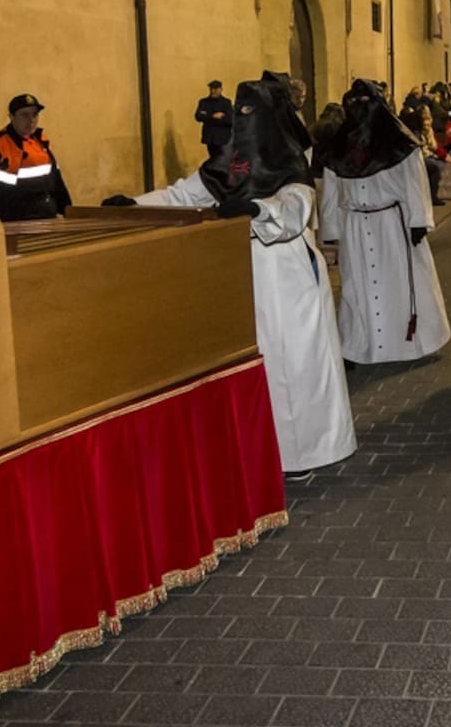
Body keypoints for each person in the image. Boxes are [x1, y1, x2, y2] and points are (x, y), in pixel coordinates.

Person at [104, 73, 355, 477]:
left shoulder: (288, 160)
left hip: (285, 276)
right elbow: (183, 194)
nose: (244, 118)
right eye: (241, 111)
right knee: (255, 366)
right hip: (238, 273)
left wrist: (258, 209)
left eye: (251, 111)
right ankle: (261, 452)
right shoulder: (229, 161)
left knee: (293, 366)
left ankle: (303, 453)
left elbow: (295, 209)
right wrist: (134, 204)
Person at [317, 80, 451, 364]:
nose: (360, 108)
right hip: (354, 223)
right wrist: (331, 228)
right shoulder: (339, 145)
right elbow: (331, 188)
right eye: (354, 103)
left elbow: (414, 181)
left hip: (392, 224)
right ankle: (356, 345)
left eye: (366, 102)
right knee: (355, 285)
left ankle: (411, 343)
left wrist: (419, 220)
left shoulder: (400, 141)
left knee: (400, 282)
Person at [0, 93, 71, 221]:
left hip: (45, 216)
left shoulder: (41, 141)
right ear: (12, 117)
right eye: (24, 115)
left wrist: (68, 211)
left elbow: (56, 181)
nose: (31, 120)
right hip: (12, 220)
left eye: (35, 115)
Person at [400, 104, 447, 206]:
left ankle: (437, 193)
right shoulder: (412, 130)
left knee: (440, 164)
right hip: (414, 159)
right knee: (435, 167)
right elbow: (421, 147)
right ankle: (433, 196)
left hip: (420, 156)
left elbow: (432, 145)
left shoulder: (419, 128)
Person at [194, 79, 233, 157]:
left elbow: (230, 120)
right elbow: (198, 116)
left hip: (223, 138)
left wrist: (208, 116)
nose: (213, 91)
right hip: (210, 137)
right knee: (213, 157)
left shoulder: (226, 102)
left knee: (221, 158)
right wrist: (213, 116)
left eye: (216, 89)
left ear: (221, 89)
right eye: (212, 89)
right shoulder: (204, 102)